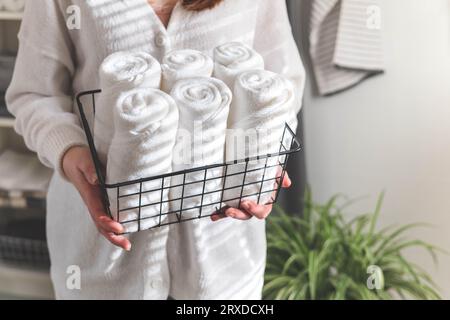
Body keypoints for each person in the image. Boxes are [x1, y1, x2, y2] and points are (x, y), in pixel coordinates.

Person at [6, 0, 305, 299]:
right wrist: (70, 153)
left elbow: (283, 83)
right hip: (100, 264)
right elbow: (34, 95)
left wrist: (263, 170)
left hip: (222, 263)